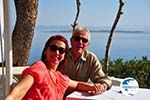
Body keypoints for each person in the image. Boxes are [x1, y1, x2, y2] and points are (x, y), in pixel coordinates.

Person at [5, 35, 106, 100]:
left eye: (61, 50)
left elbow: (78, 84)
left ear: (64, 56)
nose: (56, 53)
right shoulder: (39, 68)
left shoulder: (60, 78)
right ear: (45, 51)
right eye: (53, 48)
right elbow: (19, 91)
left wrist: (94, 87)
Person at [58, 26, 112, 95]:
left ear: (88, 44)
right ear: (71, 41)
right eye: (77, 39)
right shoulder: (61, 55)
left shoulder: (91, 58)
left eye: (84, 40)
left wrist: (102, 86)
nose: (80, 42)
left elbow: (104, 79)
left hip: (78, 97)